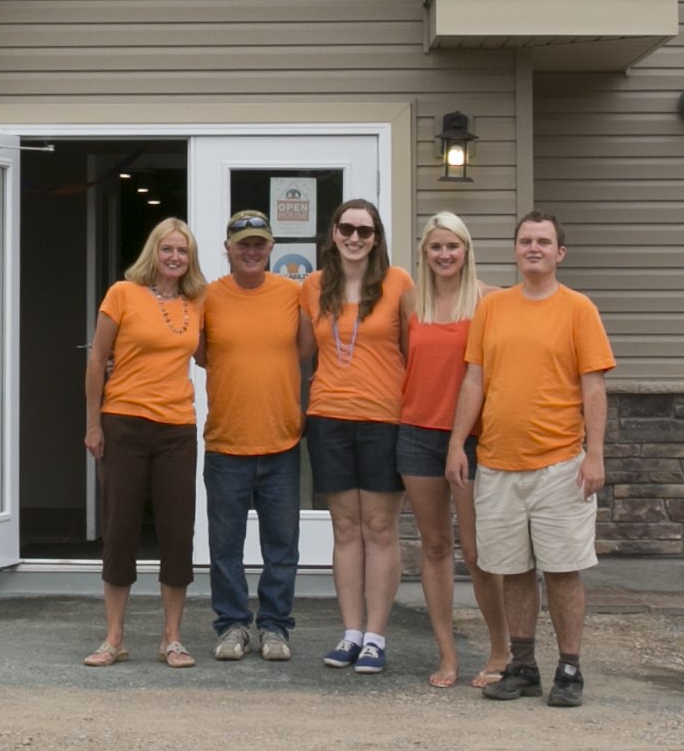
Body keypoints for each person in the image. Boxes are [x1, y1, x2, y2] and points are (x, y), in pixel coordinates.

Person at [446, 211, 614, 708]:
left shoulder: (578, 309)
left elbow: (594, 386)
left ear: (560, 253)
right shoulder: (493, 309)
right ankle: (522, 666)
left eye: (543, 242)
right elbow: (474, 380)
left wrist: (596, 456)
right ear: (515, 251)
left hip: (560, 463)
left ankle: (569, 668)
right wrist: (458, 442)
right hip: (498, 463)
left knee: (563, 569)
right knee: (512, 569)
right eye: (525, 241)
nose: (533, 248)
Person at [83, 217, 207, 669]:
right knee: (120, 529)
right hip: (124, 424)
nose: (175, 257)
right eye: (167, 249)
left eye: (183, 251)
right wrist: (93, 423)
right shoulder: (122, 294)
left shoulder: (199, 301)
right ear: (153, 252)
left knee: (177, 532)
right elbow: (98, 357)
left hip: (177, 428)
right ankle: (114, 637)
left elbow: (210, 352)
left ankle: (172, 638)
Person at [300, 198, 412, 675]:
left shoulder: (398, 283)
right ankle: (349, 633)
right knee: (345, 528)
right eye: (346, 228)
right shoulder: (312, 286)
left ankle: (376, 636)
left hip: (384, 419)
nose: (354, 238)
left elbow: (414, 350)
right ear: (332, 233)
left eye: (364, 232)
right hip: (328, 417)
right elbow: (302, 353)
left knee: (380, 529)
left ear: (376, 239)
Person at [198, 210, 314, 662]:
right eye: (242, 243)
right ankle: (231, 625)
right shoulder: (207, 297)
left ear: (270, 249)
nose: (250, 251)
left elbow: (306, 351)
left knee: (281, 546)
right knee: (225, 546)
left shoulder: (293, 294)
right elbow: (198, 353)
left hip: (281, 439)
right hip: (226, 440)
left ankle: (274, 627)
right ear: (227, 248)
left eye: (258, 244)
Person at [398, 211, 508, 688]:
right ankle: (447, 655)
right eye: (436, 247)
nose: (444, 255)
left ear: (466, 251)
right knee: (436, 546)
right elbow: (408, 361)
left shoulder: (489, 300)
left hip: (472, 440)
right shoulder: (410, 301)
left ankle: (501, 652)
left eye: (453, 247)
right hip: (417, 433)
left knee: (479, 551)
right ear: (424, 252)